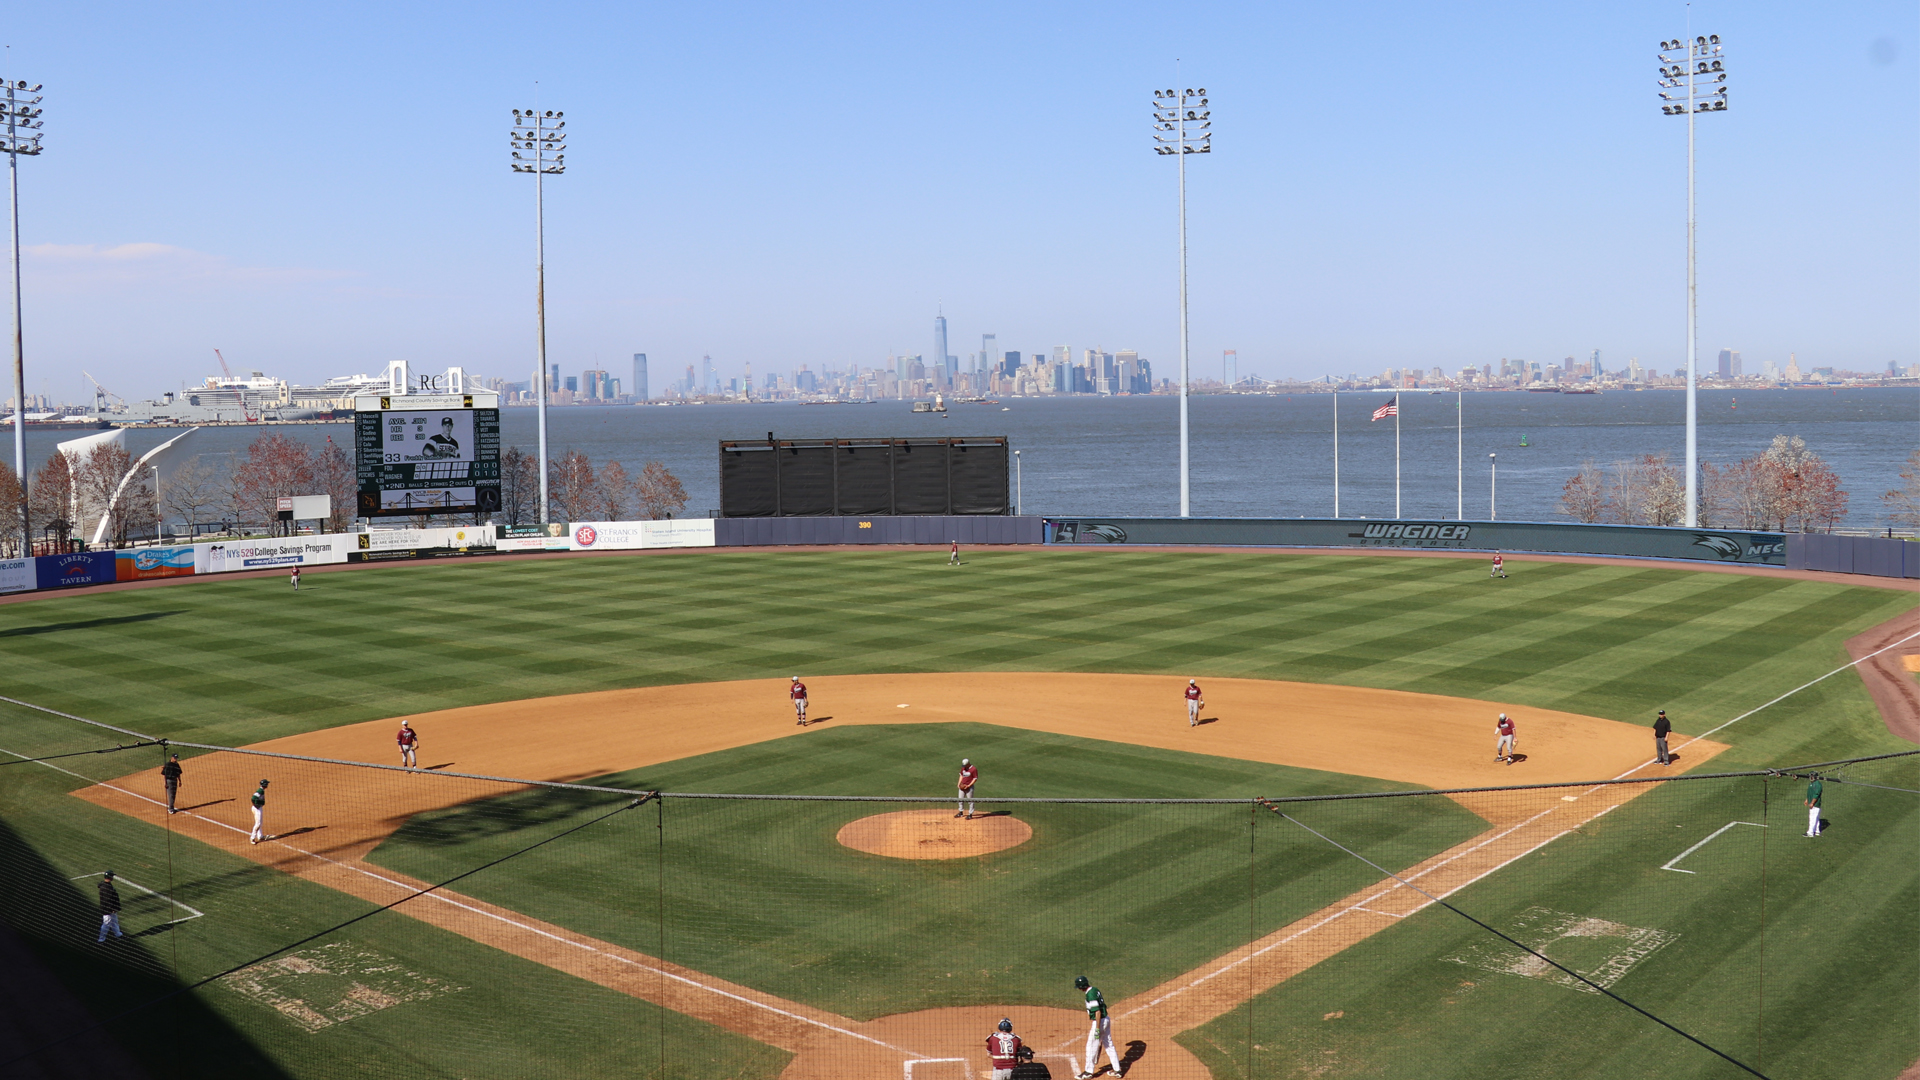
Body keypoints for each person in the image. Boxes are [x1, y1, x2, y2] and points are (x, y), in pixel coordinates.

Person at [1074, 975, 1123, 1078]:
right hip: (1106, 1020)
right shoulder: (1094, 989)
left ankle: (1088, 1072)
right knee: (1109, 1045)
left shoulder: (1090, 995)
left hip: (1099, 1021)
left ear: (1081, 987)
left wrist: (1097, 1028)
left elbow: (1097, 1011)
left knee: (1091, 1046)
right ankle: (1117, 1070)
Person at [96, 871, 124, 943]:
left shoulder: (105, 885)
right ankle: (101, 939)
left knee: (114, 921)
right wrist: (112, 909)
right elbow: (107, 900)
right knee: (106, 923)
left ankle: (118, 934)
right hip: (108, 909)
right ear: (110, 877)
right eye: (112, 876)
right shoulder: (107, 888)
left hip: (109, 908)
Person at [249, 779, 270, 845]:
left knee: (260, 823)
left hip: (258, 808)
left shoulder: (262, 791)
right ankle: (252, 838)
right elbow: (253, 798)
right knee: (258, 824)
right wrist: (256, 804)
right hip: (257, 809)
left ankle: (260, 836)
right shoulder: (260, 791)